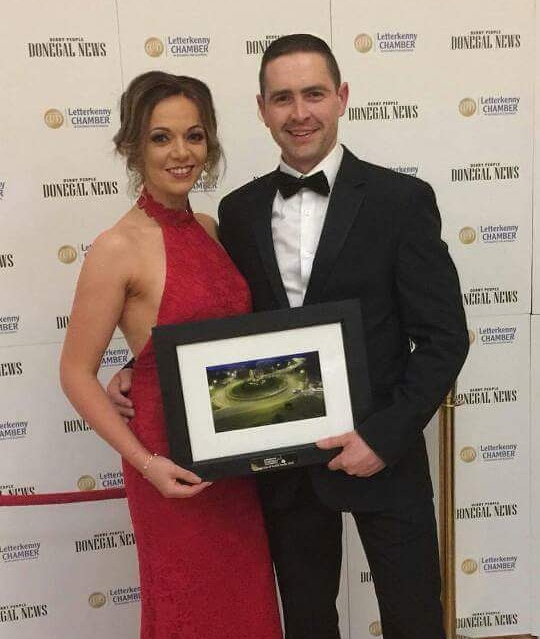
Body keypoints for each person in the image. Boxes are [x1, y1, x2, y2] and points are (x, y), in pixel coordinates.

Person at [108, 36, 469, 639]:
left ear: (342, 97)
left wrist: (382, 438)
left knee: (414, 620)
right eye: (282, 98)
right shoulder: (238, 212)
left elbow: (444, 338)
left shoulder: (401, 201)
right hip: (284, 466)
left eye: (314, 94)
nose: (299, 113)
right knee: (305, 622)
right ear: (262, 108)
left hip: (385, 455)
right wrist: (140, 367)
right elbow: (223, 324)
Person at [60, 71, 282, 639]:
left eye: (194, 135)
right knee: (190, 606)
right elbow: (75, 373)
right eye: (161, 137)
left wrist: (135, 365)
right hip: (168, 466)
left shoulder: (208, 227)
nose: (181, 153)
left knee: (246, 606)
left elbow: (203, 333)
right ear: (133, 146)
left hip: (233, 458)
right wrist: (146, 463)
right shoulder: (116, 247)